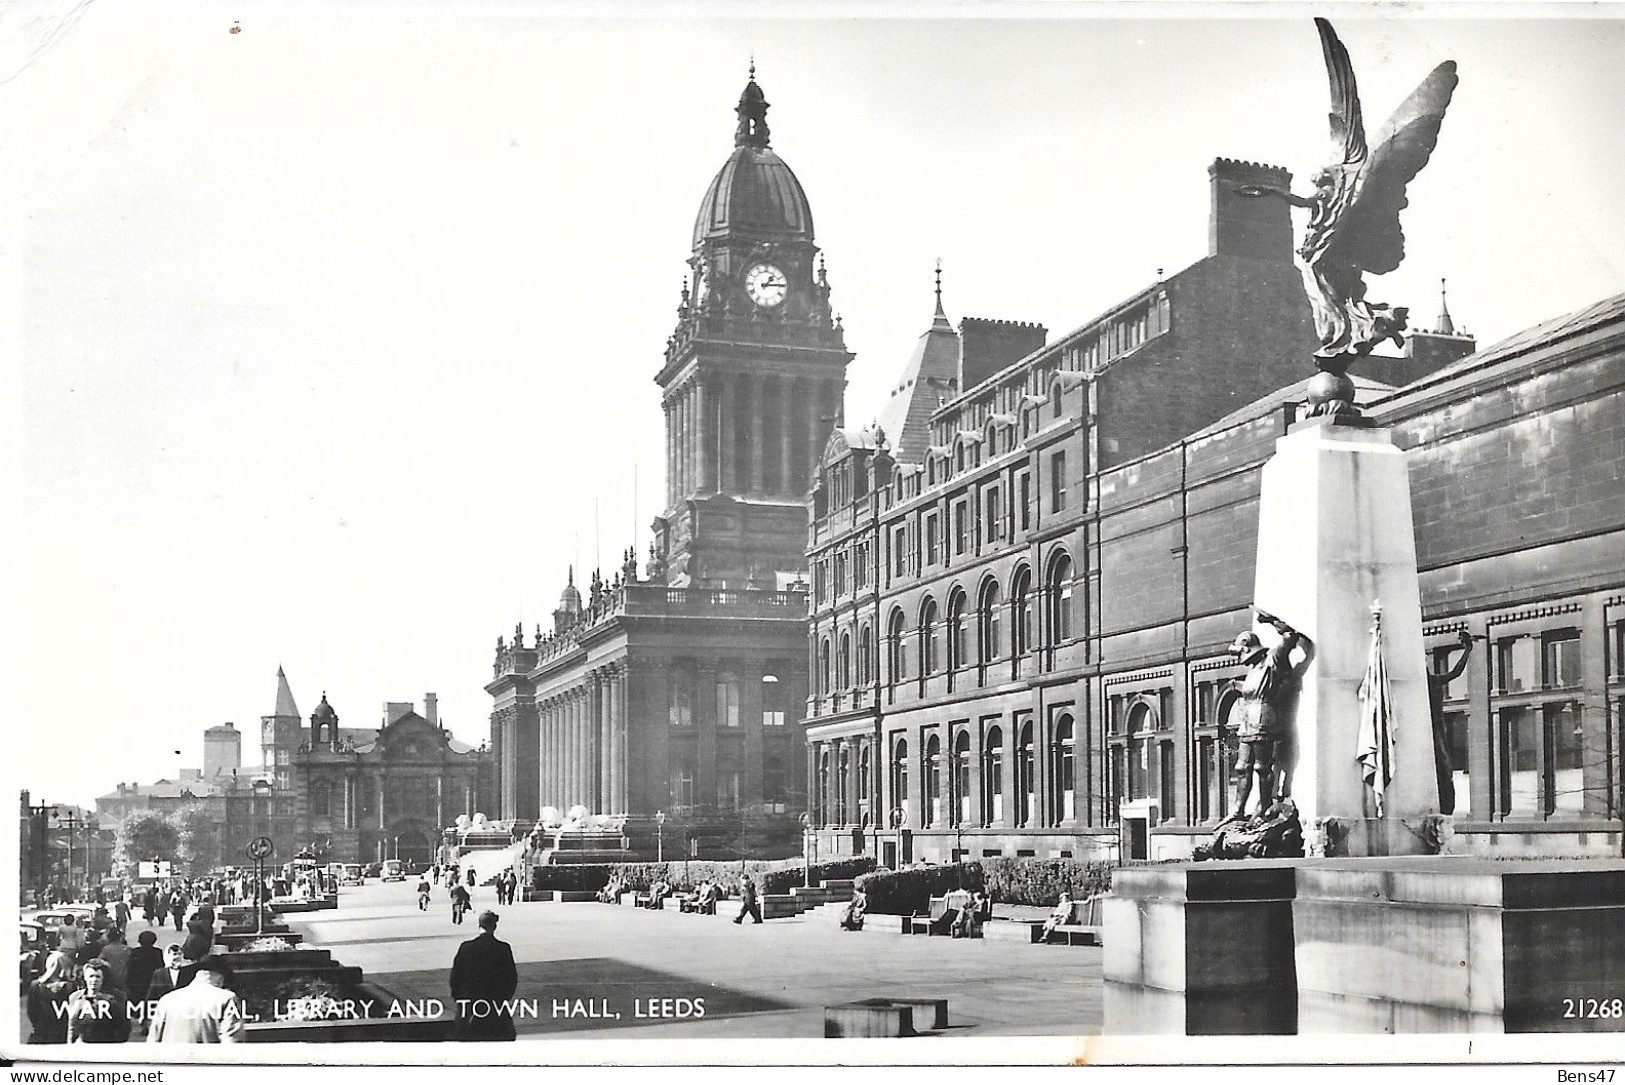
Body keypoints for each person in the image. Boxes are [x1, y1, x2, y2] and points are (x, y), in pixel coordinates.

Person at [1227, 608, 1315, 819]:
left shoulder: (1273, 659)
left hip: (1265, 719)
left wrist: (1271, 620)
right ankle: (1238, 811)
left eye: (1239, 651)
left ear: (1247, 647)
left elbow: (1291, 637)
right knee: (1241, 767)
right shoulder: (1252, 672)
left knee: (1262, 767)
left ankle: (1265, 807)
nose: (1238, 656)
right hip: (1247, 722)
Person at [449, 910, 518, 1041]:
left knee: (465, 1038)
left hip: (470, 1004)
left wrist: (459, 998)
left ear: (479, 925)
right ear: (495, 927)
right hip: (495, 1003)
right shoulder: (503, 948)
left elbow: (455, 977)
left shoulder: (466, 947)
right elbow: (511, 978)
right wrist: (503, 998)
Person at [1426, 629, 1474, 815]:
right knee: (1442, 768)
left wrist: (1467, 650)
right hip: (1433, 731)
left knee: (1443, 768)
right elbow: (1456, 672)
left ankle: (1445, 806)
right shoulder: (1431, 681)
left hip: (1436, 731)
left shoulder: (1432, 681)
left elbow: (1456, 672)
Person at [147, 956, 243, 1044]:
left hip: (171, 1061)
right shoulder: (226, 998)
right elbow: (231, 1044)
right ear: (221, 979)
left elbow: (152, 1043)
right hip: (205, 1061)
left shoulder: (166, 1000)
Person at [66, 960, 130, 1043]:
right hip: (83, 1046)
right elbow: (72, 1026)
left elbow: (124, 1027)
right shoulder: (75, 997)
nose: (94, 980)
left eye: (98, 976)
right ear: (85, 977)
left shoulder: (117, 997)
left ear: (103, 978)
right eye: (91, 976)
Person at [125, 931, 162, 1011]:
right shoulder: (157, 952)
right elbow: (160, 967)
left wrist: (128, 982)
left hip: (137, 982)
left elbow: (131, 968)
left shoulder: (135, 952)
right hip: (152, 981)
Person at [96, 927, 131, 991]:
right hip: (125, 977)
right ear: (120, 938)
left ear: (109, 938)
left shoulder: (106, 949)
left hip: (111, 977)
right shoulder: (127, 949)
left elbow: (98, 961)